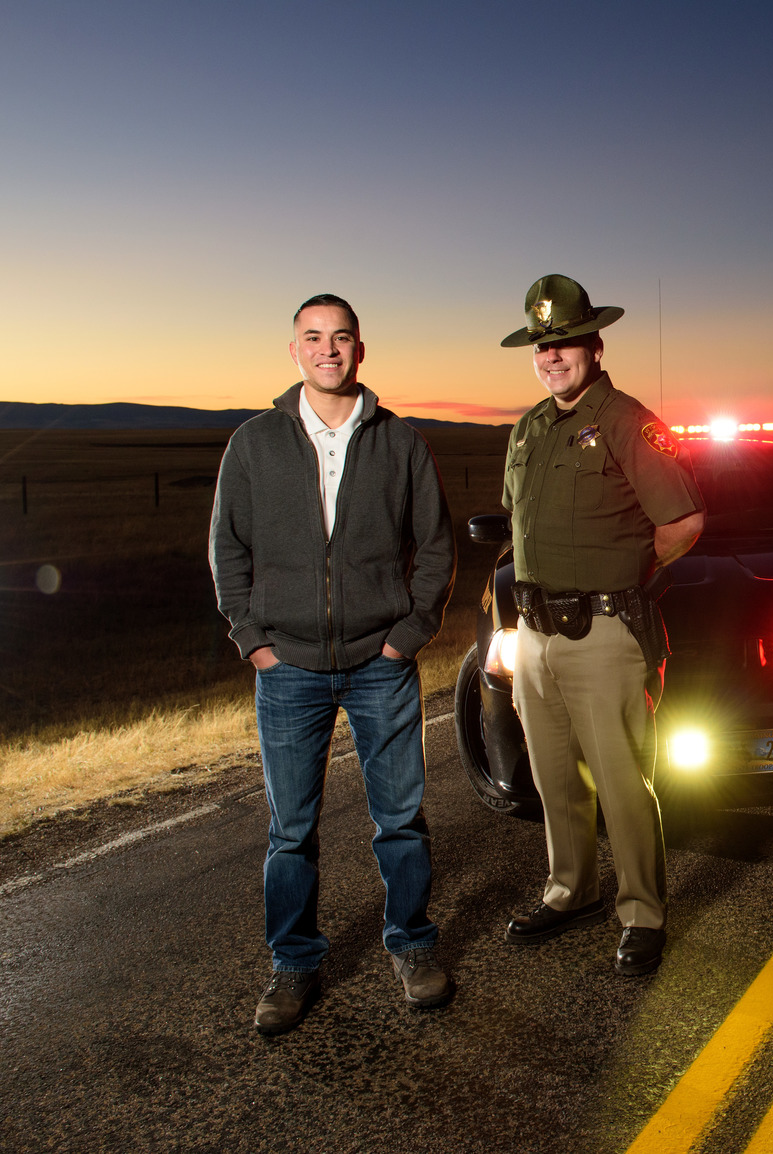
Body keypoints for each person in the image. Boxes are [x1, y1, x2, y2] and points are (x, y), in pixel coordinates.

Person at [209, 293, 457, 1034]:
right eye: (312, 338)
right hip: (287, 668)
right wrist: (252, 639)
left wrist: (409, 632)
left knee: (401, 819)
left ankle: (412, 944)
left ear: (360, 349)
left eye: (340, 337)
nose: (327, 350)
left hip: (381, 662)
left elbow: (436, 544)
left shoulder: (400, 441)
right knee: (291, 829)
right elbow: (228, 550)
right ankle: (293, 962)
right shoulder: (253, 443)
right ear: (294, 352)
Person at [499, 274, 704, 975]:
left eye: (565, 342)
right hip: (534, 635)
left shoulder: (626, 421)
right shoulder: (527, 428)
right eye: (541, 345)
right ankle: (570, 889)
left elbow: (684, 521)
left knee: (620, 782)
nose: (552, 356)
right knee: (554, 778)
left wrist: (626, 575)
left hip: (605, 633)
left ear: (593, 343)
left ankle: (642, 912)